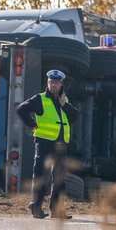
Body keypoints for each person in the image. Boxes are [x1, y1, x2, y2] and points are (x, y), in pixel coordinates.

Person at [16, 69, 78, 220]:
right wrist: (32, 124)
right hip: (44, 142)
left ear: (61, 84)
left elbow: (75, 116)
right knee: (41, 176)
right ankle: (36, 206)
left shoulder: (64, 100)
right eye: (51, 82)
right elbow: (21, 109)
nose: (53, 85)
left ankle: (56, 211)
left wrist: (65, 105)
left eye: (56, 83)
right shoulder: (40, 99)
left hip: (60, 143)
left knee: (59, 179)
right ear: (48, 83)